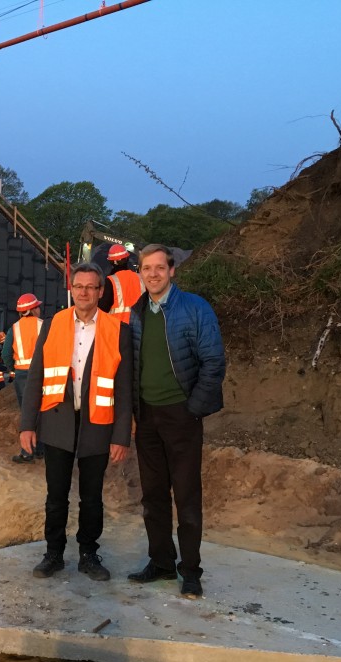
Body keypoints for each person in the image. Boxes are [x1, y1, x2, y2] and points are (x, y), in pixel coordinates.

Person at [19, 262, 133, 582]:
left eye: (91, 287)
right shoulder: (53, 324)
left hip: (98, 424)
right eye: (79, 286)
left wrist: (121, 435)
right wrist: (27, 424)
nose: (84, 292)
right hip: (57, 424)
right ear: (72, 289)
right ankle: (54, 553)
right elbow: (36, 377)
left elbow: (125, 389)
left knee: (92, 497)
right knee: (56, 496)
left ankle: (89, 554)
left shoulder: (117, 330)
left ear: (100, 291)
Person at [126, 244, 226, 600]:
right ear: (139, 272)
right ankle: (162, 562)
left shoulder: (195, 308)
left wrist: (192, 408)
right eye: (145, 268)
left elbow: (213, 362)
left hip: (181, 416)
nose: (152, 273)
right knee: (153, 496)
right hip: (148, 417)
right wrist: (134, 414)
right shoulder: (136, 312)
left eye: (158, 267)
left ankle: (191, 571)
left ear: (172, 270)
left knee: (186, 496)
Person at [2, 292, 44, 463]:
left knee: (27, 413)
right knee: (42, 412)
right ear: (33, 309)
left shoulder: (14, 329)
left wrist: (13, 369)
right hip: (41, 374)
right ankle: (40, 449)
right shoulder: (44, 326)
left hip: (22, 376)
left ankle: (27, 452)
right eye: (38, 306)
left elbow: (6, 354)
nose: (40, 309)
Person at [98, 244, 144, 323]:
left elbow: (103, 308)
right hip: (140, 327)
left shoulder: (110, 281)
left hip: (118, 328)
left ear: (111, 262)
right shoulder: (141, 278)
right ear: (127, 258)